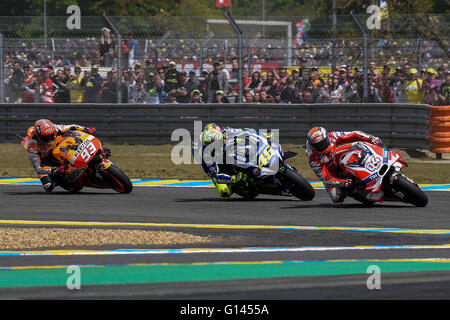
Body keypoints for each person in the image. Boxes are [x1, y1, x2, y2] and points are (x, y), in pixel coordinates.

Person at [306, 127, 383, 203]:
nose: (322, 146)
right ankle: (355, 190)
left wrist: (371, 138)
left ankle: (379, 156)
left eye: (323, 143)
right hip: (330, 172)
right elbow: (326, 179)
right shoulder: (313, 158)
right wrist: (341, 182)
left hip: (336, 155)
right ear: (312, 146)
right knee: (336, 198)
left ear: (327, 137)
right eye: (318, 145)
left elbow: (354, 134)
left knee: (358, 145)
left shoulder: (333, 136)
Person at [197, 123, 270, 199]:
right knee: (224, 193)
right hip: (217, 168)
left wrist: (260, 135)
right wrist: (234, 178)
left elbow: (245, 131)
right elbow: (216, 176)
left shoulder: (226, 132)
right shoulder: (206, 156)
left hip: (228, 154)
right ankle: (236, 186)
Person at [22, 119, 96, 192]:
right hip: (45, 162)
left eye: (51, 136)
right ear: (39, 136)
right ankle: (60, 180)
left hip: (58, 147)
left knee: (71, 134)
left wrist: (86, 129)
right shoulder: (32, 146)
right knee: (48, 186)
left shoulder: (55, 128)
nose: (49, 139)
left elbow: (72, 126)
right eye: (46, 137)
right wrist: (55, 170)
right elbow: (38, 167)